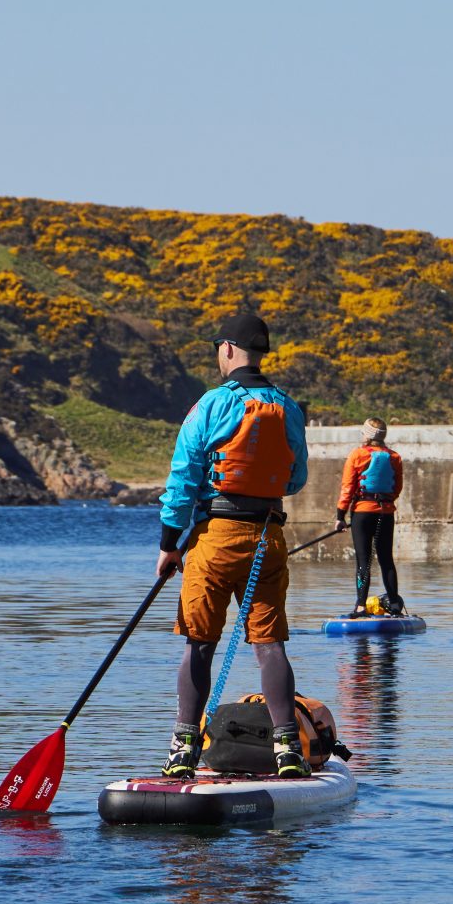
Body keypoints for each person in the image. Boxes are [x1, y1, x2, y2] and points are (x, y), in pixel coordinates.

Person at [156, 312, 311, 779]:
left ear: (227, 349)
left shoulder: (210, 405)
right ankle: (288, 748)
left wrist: (169, 545)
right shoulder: (288, 406)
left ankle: (183, 749)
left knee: (199, 644)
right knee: (269, 644)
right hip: (268, 536)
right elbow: (296, 477)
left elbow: (182, 480)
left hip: (216, 539)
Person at [336, 418, 408, 618]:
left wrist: (340, 516)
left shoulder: (357, 455)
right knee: (386, 559)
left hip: (362, 512)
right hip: (385, 513)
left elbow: (347, 488)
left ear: (367, 435)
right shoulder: (395, 457)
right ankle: (394, 605)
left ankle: (360, 606)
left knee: (363, 561)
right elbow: (397, 487)